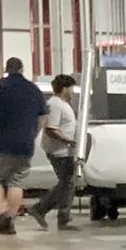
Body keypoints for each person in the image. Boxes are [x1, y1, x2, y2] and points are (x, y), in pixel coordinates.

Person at [0, 57, 49, 235]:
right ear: (22, 69)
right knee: (16, 181)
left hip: (0, 143)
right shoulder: (33, 89)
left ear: (6, 69)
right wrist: (33, 134)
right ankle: (10, 219)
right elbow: (43, 116)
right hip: (25, 144)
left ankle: (1, 212)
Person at [31, 72, 78, 230]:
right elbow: (51, 129)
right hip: (59, 151)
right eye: (71, 88)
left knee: (67, 184)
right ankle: (42, 209)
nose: (72, 91)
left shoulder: (62, 104)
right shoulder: (55, 105)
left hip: (65, 150)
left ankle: (62, 217)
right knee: (66, 184)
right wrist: (69, 141)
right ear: (64, 88)